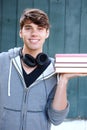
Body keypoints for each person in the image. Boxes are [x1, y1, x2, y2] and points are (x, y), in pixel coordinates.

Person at [0, 8, 87, 130]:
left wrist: (63, 80)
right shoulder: (3, 61)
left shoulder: (55, 68)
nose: (34, 33)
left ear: (47, 33)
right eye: (28, 28)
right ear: (21, 32)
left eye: (40, 29)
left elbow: (56, 119)